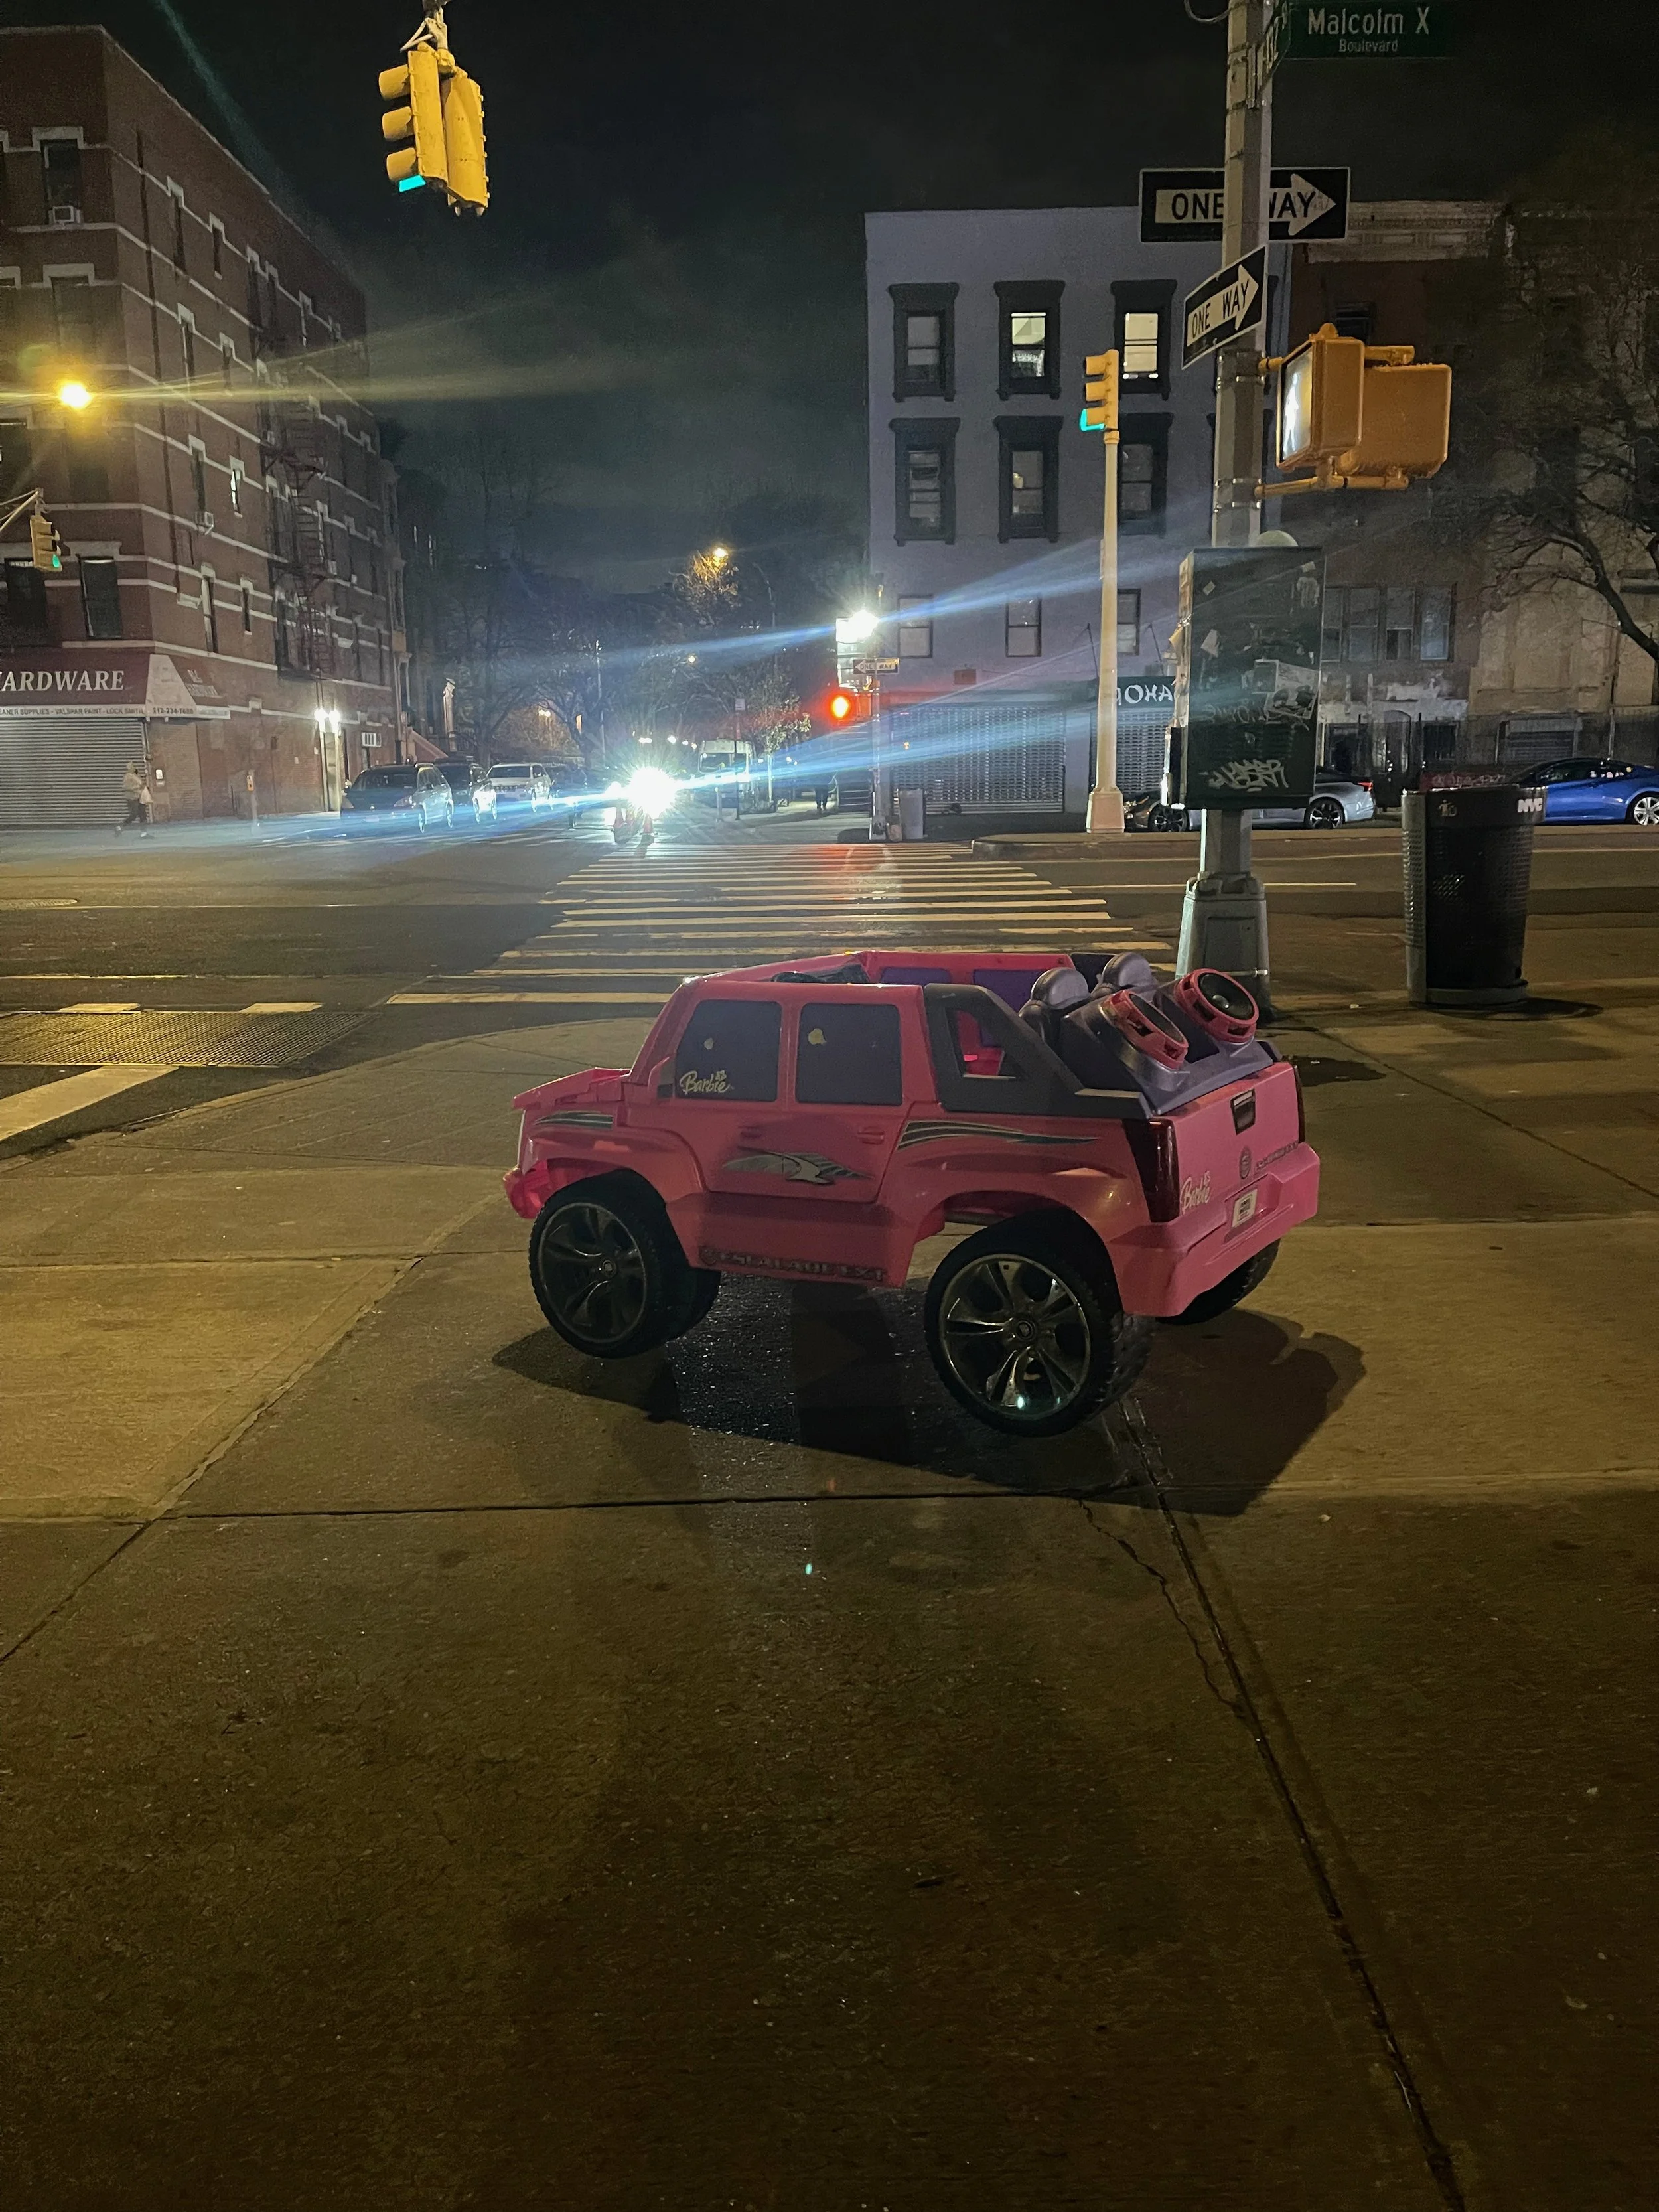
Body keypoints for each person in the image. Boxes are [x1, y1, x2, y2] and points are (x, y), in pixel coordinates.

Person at [118, 761, 145, 834]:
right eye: (133, 766)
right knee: (133, 815)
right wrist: (137, 788)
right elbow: (126, 786)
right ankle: (120, 827)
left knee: (143, 815)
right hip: (132, 798)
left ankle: (144, 833)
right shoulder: (128, 776)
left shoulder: (136, 775)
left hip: (139, 797)